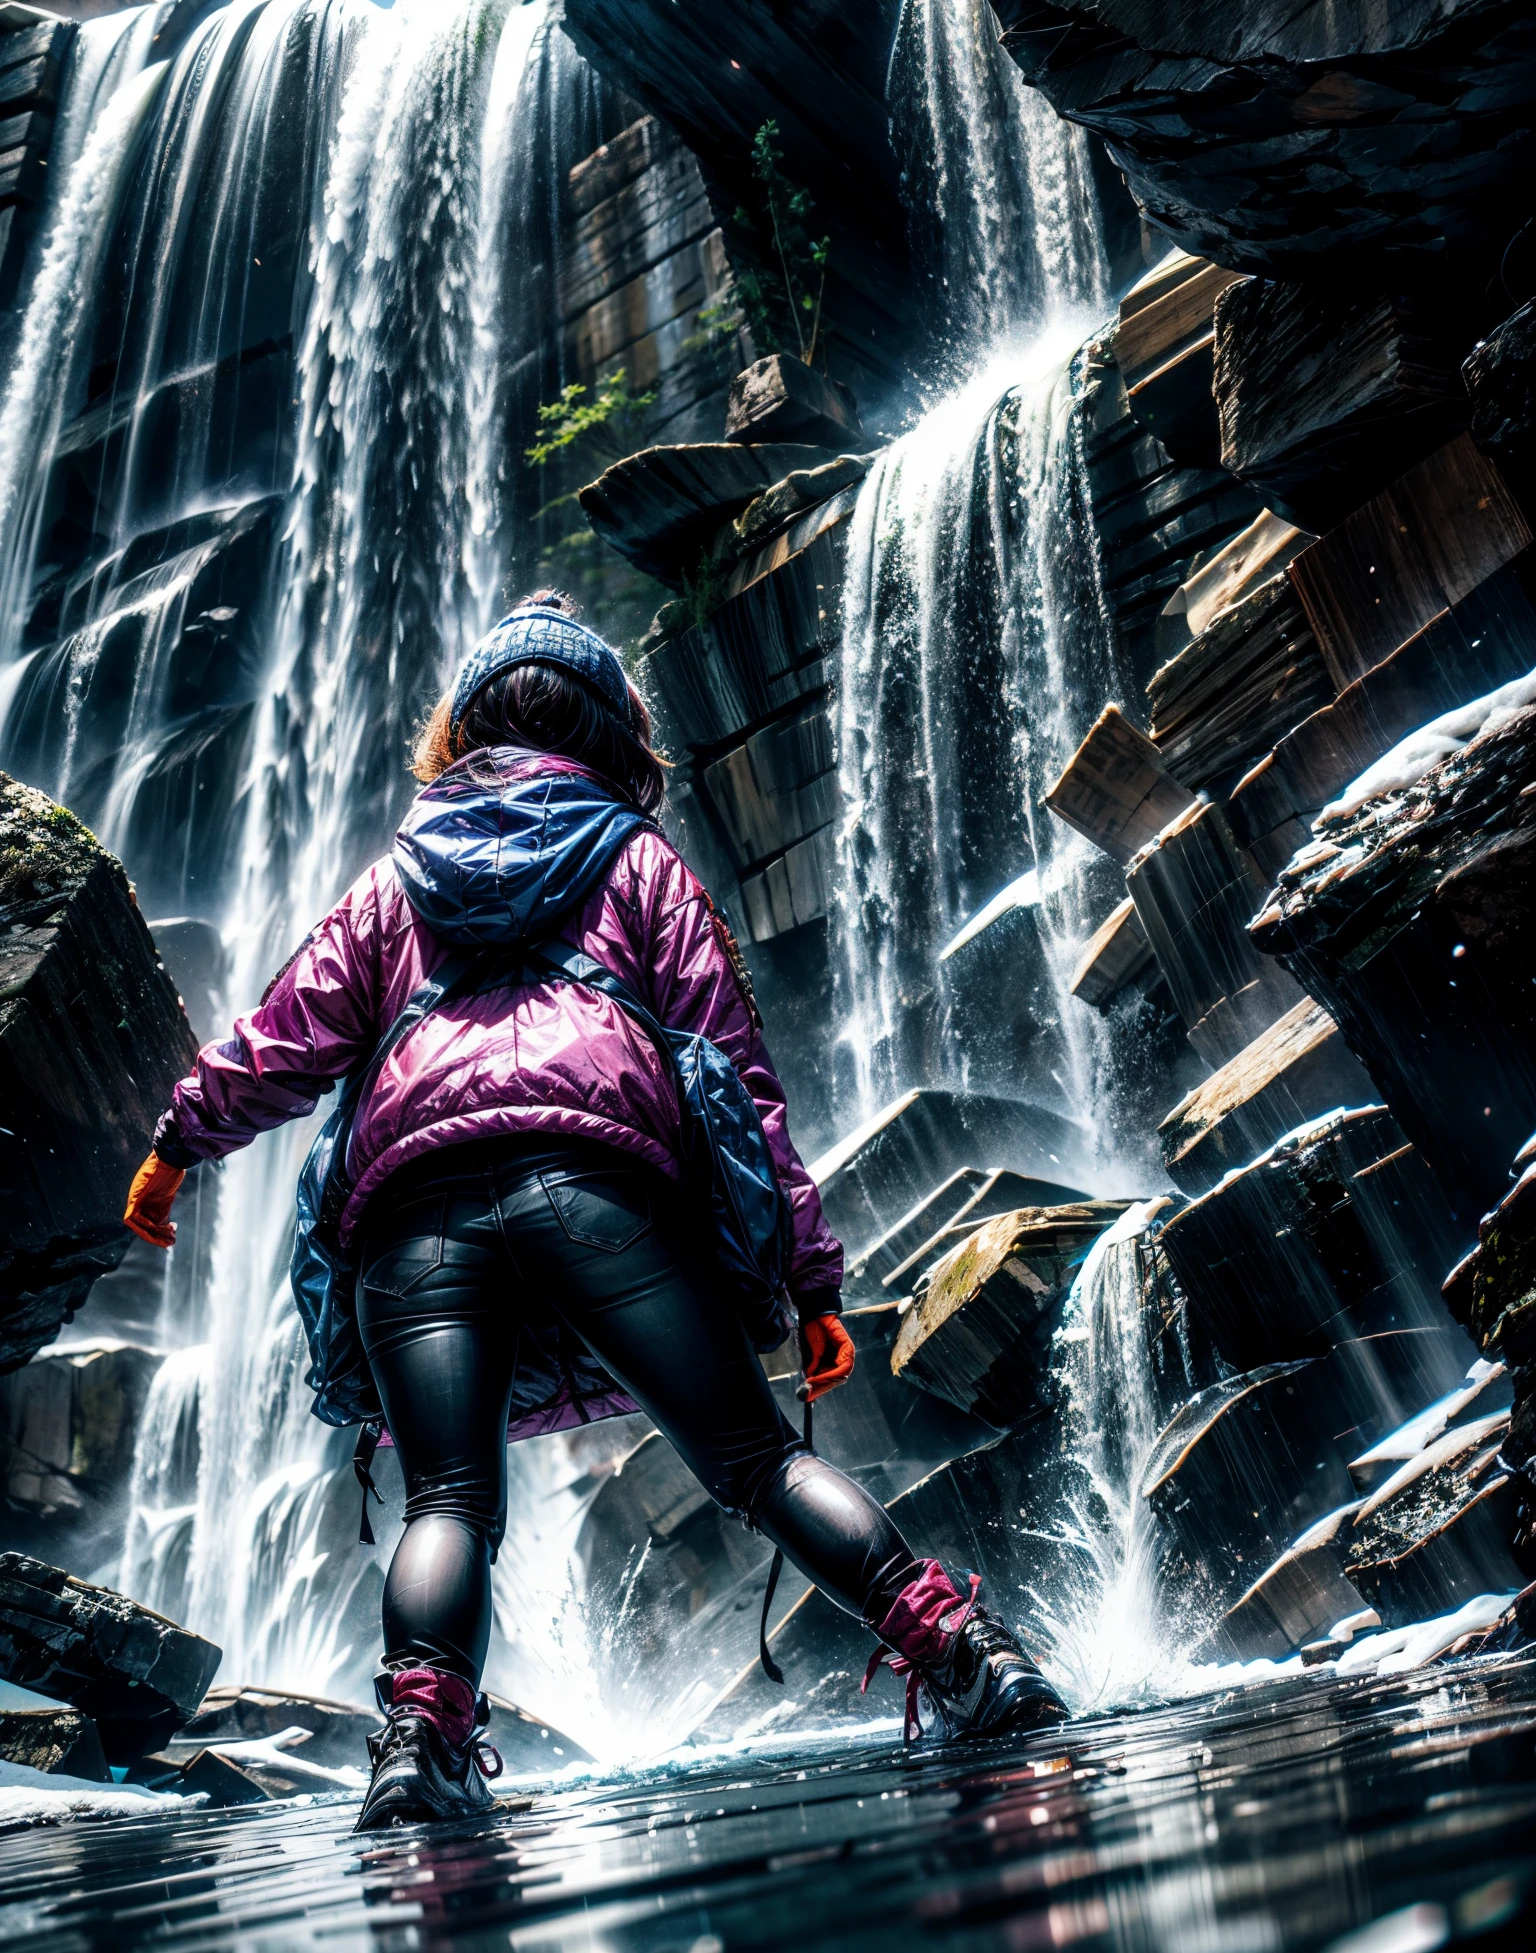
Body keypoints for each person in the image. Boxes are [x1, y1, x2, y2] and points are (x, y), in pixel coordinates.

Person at [123, 594, 1068, 1829]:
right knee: (757, 1461)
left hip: (412, 1215)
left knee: (447, 1498)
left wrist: (174, 1146)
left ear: (461, 734)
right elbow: (738, 1076)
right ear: (615, 730)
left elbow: (282, 1037)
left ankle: (419, 1743)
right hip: (598, 1185)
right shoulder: (638, 859)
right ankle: (968, 1655)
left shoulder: (394, 883)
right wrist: (813, 1278)